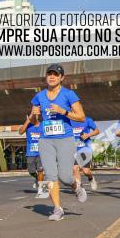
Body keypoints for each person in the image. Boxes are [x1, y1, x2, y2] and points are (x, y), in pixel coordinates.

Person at [31, 64, 88, 221]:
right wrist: (34, 115)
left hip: (65, 139)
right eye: (49, 74)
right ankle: (57, 209)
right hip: (45, 140)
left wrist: (63, 111)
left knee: (65, 176)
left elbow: (81, 116)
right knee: (50, 175)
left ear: (62, 78)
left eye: (55, 74)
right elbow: (34, 120)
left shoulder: (69, 94)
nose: (52, 76)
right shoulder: (39, 96)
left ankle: (76, 186)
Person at [18, 112, 46, 197]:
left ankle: (41, 189)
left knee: (40, 170)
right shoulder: (28, 126)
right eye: (32, 115)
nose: (34, 116)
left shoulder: (43, 125)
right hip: (30, 153)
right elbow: (20, 132)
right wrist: (28, 120)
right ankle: (37, 178)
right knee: (31, 171)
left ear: (38, 116)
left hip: (42, 152)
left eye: (35, 115)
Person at [72, 115, 99, 191]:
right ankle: (79, 188)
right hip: (73, 149)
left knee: (86, 171)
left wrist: (88, 135)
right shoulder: (68, 120)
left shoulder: (87, 119)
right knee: (75, 168)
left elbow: (97, 131)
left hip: (84, 148)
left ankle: (91, 178)